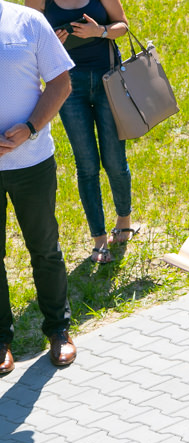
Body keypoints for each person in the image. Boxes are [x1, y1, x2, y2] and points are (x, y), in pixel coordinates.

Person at [0, 0, 77, 374]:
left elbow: (61, 83)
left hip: (31, 163)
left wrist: (30, 128)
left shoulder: (28, 21)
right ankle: (1, 339)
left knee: (45, 249)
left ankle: (59, 330)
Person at [27, 0, 136, 265]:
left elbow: (123, 26)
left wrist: (98, 31)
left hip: (107, 78)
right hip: (66, 86)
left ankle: (124, 220)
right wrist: (50, 41)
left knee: (114, 159)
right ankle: (98, 238)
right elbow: (27, 35)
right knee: (86, 164)